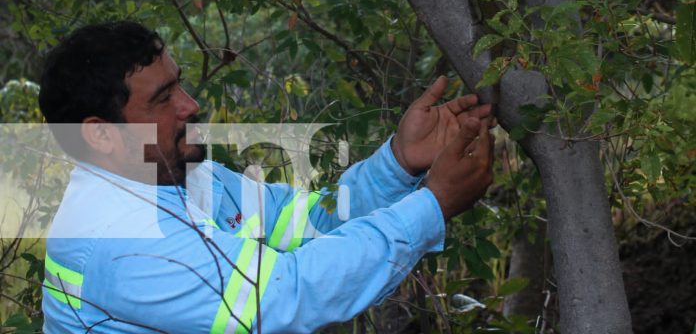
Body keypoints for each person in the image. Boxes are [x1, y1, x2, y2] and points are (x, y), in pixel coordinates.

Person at [38, 21, 495, 333]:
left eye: (180, 83)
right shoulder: (121, 241)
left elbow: (312, 222)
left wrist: (399, 162)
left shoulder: (181, 176)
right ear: (99, 134)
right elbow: (287, 295)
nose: (190, 105)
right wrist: (432, 204)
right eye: (163, 98)